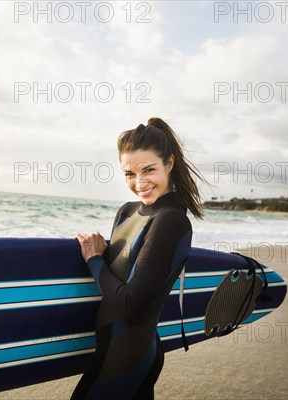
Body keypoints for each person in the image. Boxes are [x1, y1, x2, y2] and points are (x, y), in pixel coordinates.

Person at [73, 117, 210, 400]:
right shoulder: (126, 212)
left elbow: (132, 308)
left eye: (149, 170)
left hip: (129, 360)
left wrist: (94, 260)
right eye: (129, 174)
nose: (139, 183)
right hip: (110, 350)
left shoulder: (170, 222)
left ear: (169, 164)